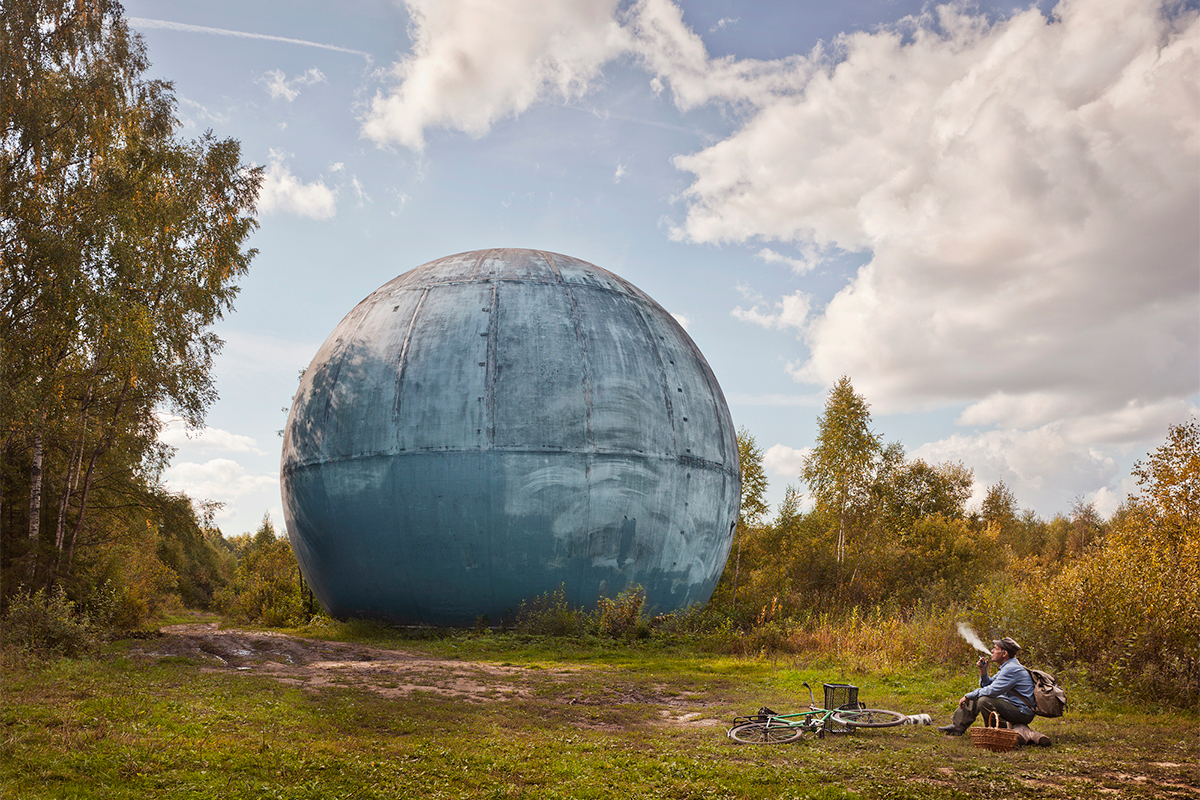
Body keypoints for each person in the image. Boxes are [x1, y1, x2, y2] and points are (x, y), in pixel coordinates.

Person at [939, 636, 1035, 736]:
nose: (992, 651)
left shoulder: (1011, 669)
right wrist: (983, 670)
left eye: (995, 649)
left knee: (984, 700)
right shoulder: (1007, 666)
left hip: (1022, 712)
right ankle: (957, 726)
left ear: (1004, 653)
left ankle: (997, 732)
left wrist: (968, 696)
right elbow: (988, 685)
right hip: (1012, 706)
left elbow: (992, 691)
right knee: (978, 695)